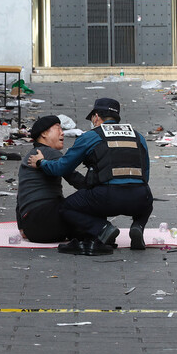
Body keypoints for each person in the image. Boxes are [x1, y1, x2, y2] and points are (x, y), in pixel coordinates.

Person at [27, 97, 153, 256]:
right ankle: (138, 227)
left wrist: (41, 163)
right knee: (147, 202)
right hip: (139, 198)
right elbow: (145, 175)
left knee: (66, 207)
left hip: (107, 198)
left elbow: (61, 168)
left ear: (96, 117)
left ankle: (103, 228)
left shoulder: (91, 137)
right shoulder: (138, 136)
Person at [16, 115, 86, 243]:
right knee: (85, 199)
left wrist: (21, 226)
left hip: (31, 230)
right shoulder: (49, 153)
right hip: (48, 221)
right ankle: (101, 230)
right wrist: (96, 189)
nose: (62, 133)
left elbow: (20, 195)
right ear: (44, 134)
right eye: (58, 128)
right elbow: (74, 178)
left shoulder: (28, 157)